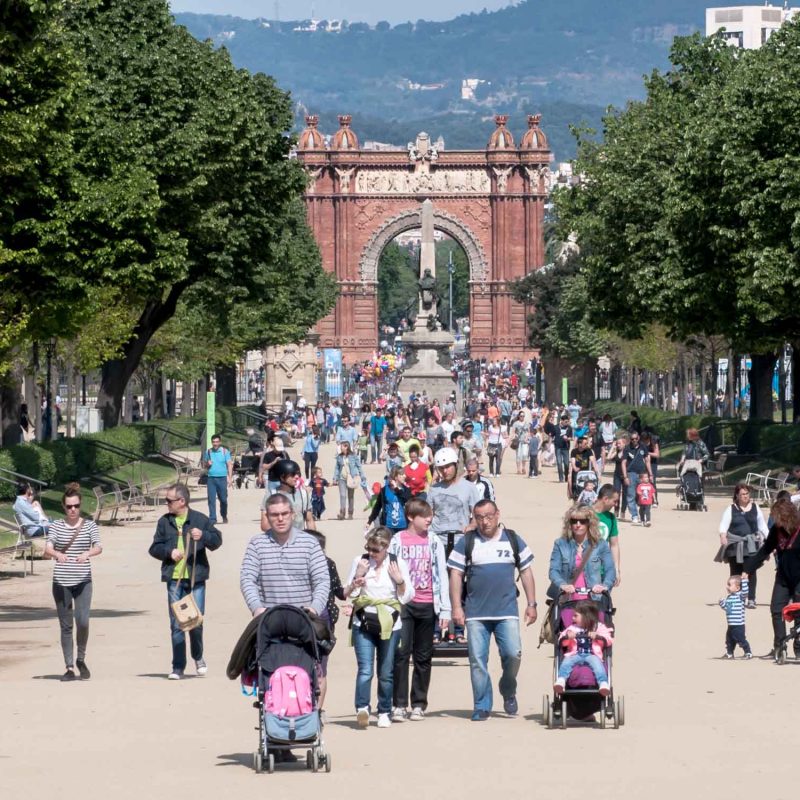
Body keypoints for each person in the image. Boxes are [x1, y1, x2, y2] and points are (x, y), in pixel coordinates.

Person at [447, 499, 538, 721]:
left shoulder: (513, 539)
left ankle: (508, 689)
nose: (484, 521)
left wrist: (531, 603)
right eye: (479, 517)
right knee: (477, 660)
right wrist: (457, 607)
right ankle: (482, 705)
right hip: (476, 613)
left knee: (512, 654)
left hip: (506, 611)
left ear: (498, 514)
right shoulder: (467, 542)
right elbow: (456, 575)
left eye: (488, 516)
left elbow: (526, 571)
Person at [148, 483, 222, 680]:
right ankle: (178, 666)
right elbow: (154, 548)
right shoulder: (164, 522)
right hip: (174, 579)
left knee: (195, 621)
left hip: (196, 578)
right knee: (177, 623)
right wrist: (168, 552)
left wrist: (204, 536)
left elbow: (217, 540)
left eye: (169, 501)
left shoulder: (199, 519)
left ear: (182, 501)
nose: (166, 504)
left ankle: (198, 656)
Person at [345, 527, 414, 729]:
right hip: (364, 621)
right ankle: (362, 708)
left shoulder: (397, 563)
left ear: (386, 547)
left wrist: (399, 580)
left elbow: (408, 595)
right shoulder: (361, 561)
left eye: (376, 550)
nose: (373, 553)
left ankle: (384, 710)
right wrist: (357, 578)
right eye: (370, 548)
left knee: (386, 671)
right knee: (365, 669)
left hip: (390, 623)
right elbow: (348, 592)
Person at [388, 499, 450, 721]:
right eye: (424, 516)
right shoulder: (396, 541)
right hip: (404, 604)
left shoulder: (434, 542)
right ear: (411, 518)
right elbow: (389, 571)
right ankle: (399, 704)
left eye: (430, 515)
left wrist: (445, 610)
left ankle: (418, 704)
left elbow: (442, 574)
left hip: (427, 604)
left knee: (424, 656)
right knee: (401, 654)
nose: (429, 519)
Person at [44, 483, 103, 681]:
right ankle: (69, 667)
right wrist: (57, 553)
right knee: (66, 625)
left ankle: (81, 658)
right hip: (61, 581)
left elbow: (98, 546)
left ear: (80, 505)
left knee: (83, 621)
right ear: (64, 507)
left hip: (83, 580)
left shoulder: (89, 526)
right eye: (69, 506)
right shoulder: (56, 526)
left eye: (76, 506)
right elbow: (48, 546)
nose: (73, 510)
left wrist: (88, 552)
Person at [240, 493, 330, 619]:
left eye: (284, 513)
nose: (280, 519)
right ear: (267, 517)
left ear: (293, 514)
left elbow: (322, 580)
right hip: (269, 619)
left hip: (304, 619)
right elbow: (247, 579)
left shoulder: (310, 543)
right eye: (274, 515)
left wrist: (314, 609)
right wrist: (256, 608)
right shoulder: (256, 544)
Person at [744, 498, 800, 659]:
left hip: (799, 578)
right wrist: (747, 569)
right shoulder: (777, 530)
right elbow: (765, 550)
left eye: (777, 517)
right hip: (783, 576)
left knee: (798, 612)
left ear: (787, 516)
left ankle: (798, 647)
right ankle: (779, 645)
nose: (775, 521)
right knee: (776, 609)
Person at [308, 530, 346, 720]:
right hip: (299, 620)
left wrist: (355, 584)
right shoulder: (294, 565)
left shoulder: (329, 564)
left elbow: (340, 592)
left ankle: (317, 711)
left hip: (323, 622)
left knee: (321, 668)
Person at [548, 506, 616, 603]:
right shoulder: (560, 544)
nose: (578, 525)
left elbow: (610, 570)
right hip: (567, 600)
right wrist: (563, 585)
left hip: (593, 600)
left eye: (582, 521)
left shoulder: (601, 545)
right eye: (574, 521)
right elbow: (553, 571)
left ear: (590, 523)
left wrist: (604, 586)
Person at [716, 483, 768, 608]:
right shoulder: (731, 509)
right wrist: (723, 536)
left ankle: (751, 599)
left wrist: (770, 540)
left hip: (751, 545)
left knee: (751, 571)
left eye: (747, 493)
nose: (745, 496)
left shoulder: (756, 508)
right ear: (737, 496)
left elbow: (763, 527)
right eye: (742, 494)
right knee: (735, 572)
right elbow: (724, 525)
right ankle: (736, 597)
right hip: (735, 545)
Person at [553, 599, 613, 696]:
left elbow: (608, 640)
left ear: (586, 617)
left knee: (598, 665)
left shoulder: (598, 627)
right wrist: (568, 637)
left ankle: (603, 682)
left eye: (576, 616)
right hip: (575, 654)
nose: (572, 618)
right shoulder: (572, 628)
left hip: (592, 655)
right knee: (566, 662)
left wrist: (598, 637)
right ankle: (561, 680)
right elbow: (562, 641)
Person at [263, 459, 315, 531]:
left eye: (298, 474)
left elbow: (309, 520)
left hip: (299, 539)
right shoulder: (271, 496)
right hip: (278, 540)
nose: (297, 477)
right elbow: (265, 525)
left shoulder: (303, 494)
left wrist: (314, 539)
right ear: (282, 477)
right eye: (292, 474)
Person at [620, 431, 652, 526]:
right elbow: (623, 463)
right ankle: (634, 515)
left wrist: (650, 474)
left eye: (636, 438)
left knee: (644, 495)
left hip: (642, 473)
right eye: (632, 439)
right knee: (631, 495)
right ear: (630, 439)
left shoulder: (643, 447)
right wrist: (625, 476)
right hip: (631, 473)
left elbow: (647, 461)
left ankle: (644, 515)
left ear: (638, 438)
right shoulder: (627, 448)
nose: (634, 440)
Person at [367, 467, 411, 536]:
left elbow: (406, 498)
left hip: (403, 525)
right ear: (396, 477)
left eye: (404, 474)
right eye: (402, 474)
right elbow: (377, 506)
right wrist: (369, 521)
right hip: (388, 526)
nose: (404, 476)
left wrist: (396, 488)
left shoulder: (406, 489)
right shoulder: (384, 490)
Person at [333, 441, 370, 520]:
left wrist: (362, 476)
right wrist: (335, 478)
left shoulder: (353, 456)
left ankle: (350, 513)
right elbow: (336, 468)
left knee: (350, 496)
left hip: (352, 478)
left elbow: (359, 466)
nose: (340, 448)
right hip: (341, 478)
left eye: (342, 446)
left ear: (346, 447)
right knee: (342, 495)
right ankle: (342, 513)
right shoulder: (339, 457)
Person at [719, 575, 752, 659]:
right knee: (729, 640)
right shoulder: (729, 597)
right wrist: (722, 603)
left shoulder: (740, 596)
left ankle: (748, 652)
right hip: (731, 624)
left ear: (737, 588)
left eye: (729, 585)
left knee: (741, 640)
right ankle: (729, 653)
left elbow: (745, 591)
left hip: (739, 625)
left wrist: (744, 581)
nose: (727, 587)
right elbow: (728, 609)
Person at [593, 485, 621, 586]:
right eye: (614, 501)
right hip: (584, 569)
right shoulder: (584, 514)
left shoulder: (611, 518)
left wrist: (616, 570)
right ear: (605, 499)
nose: (616, 504)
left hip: (603, 569)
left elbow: (614, 545)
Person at [203, 434, 232, 524]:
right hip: (211, 478)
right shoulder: (208, 452)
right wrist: (208, 463)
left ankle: (224, 515)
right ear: (211, 442)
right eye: (213, 442)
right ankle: (212, 518)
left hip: (222, 478)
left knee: (223, 499)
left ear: (220, 442)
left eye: (216, 442)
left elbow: (229, 464)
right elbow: (204, 465)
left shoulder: (224, 451)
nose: (215, 444)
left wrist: (230, 478)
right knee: (211, 500)